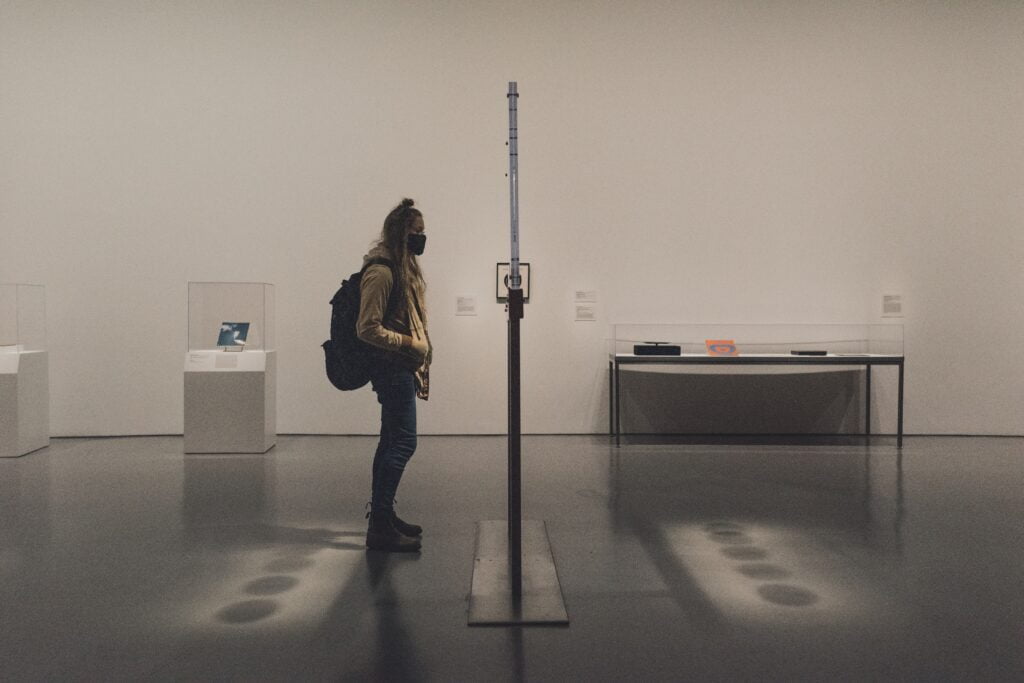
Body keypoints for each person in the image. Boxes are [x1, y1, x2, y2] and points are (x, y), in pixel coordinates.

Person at [356, 198, 432, 552]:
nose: (422, 238)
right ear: (400, 233)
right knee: (403, 442)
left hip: (399, 367)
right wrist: (409, 344)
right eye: (416, 231)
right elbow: (367, 328)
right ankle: (380, 527)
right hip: (392, 369)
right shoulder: (382, 272)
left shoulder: (401, 269)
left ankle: (383, 517)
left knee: (390, 441)